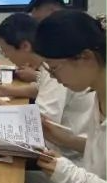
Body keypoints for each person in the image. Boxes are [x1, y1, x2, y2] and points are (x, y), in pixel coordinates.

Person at [0, 13, 93, 163]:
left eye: (5, 51)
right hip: (59, 153)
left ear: (25, 46)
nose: (6, 56)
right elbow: (40, 88)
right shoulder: (51, 66)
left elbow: (35, 126)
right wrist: (6, 90)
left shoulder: (59, 70)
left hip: (65, 159)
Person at [31, 10, 106, 183]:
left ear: (85, 57)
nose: (52, 77)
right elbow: (98, 155)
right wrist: (62, 137)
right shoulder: (97, 92)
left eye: (54, 68)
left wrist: (66, 173)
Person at [17, 0, 66, 83]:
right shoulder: (51, 39)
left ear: (54, 11)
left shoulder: (68, 40)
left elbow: (59, 82)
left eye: (38, 20)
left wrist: (36, 76)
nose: (37, 27)